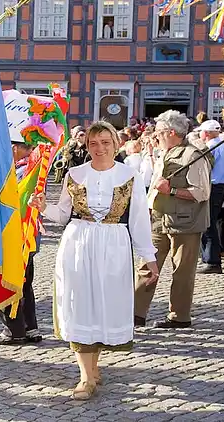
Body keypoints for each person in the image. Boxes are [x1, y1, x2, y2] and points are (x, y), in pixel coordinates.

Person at [30, 121, 159, 400]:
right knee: (80, 304)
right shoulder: (74, 174)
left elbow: (138, 220)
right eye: (93, 143)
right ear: (86, 146)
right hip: (78, 243)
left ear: (116, 143)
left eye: (105, 142)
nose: (99, 148)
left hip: (114, 245)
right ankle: (86, 377)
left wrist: (150, 258)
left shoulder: (131, 175)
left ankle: (94, 364)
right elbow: (63, 215)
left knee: (103, 305)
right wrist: (43, 207)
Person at [135, 110, 213, 329]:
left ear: (171, 132)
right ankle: (136, 313)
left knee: (182, 272)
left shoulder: (192, 156)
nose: (154, 136)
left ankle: (179, 316)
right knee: (146, 265)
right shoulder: (163, 153)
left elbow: (202, 192)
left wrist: (171, 190)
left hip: (185, 223)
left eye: (158, 132)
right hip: (159, 218)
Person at [0, 139, 41, 345]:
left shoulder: (17, 171)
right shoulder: (35, 166)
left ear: (13, 148)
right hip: (28, 235)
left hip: (13, 234)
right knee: (25, 282)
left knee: (9, 281)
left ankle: (13, 330)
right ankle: (30, 328)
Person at [197, 120, 224, 274]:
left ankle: (212, 261)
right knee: (211, 222)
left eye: (202, 131)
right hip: (220, 187)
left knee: (208, 223)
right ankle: (209, 257)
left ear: (207, 133)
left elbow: (205, 167)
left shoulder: (212, 147)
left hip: (212, 186)